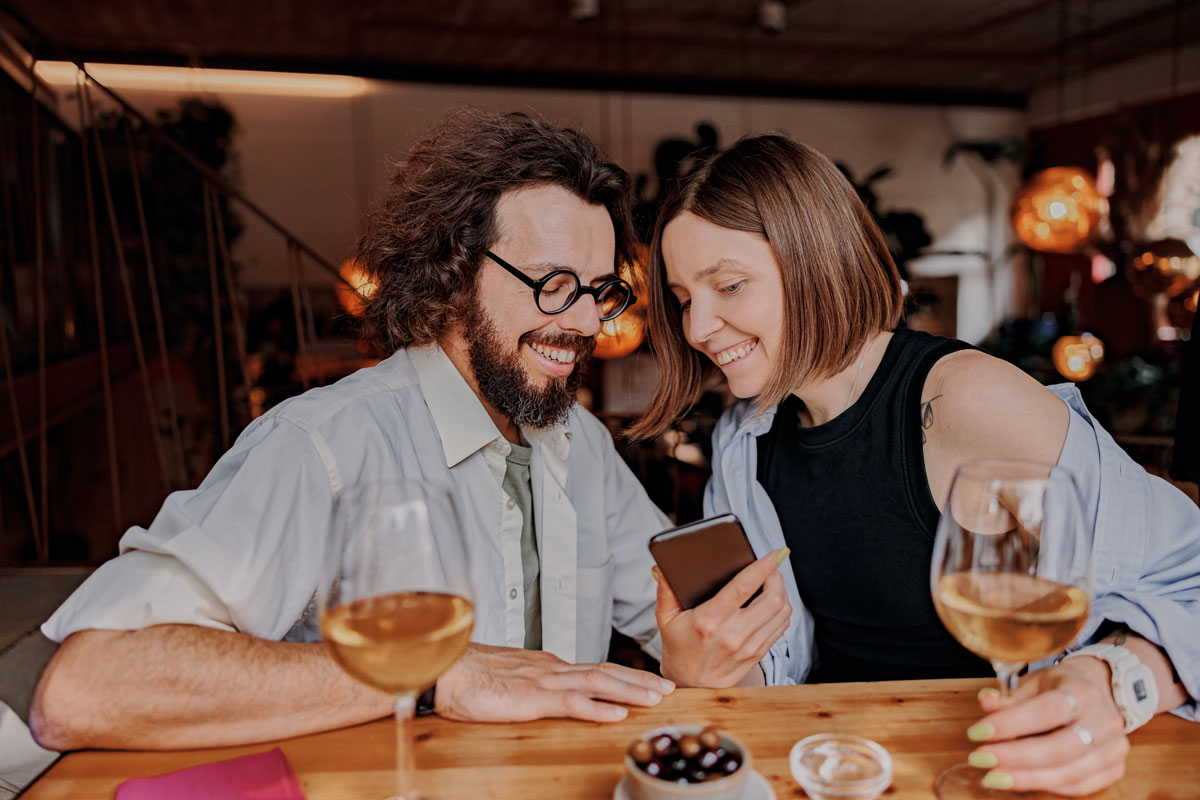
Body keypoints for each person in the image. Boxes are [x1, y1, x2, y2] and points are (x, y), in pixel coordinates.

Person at [28, 110, 788, 753]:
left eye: (598, 291)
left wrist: (704, 655)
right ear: (452, 273)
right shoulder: (323, 445)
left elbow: (680, 634)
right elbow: (88, 686)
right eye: (554, 285)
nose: (589, 321)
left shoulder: (580, 446)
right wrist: (430, 673)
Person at [631, 133, 1199, 796]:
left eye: (728, 285)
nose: (698, 328)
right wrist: (704, 666)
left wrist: (1116, 682)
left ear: (819, 262)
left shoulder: (967, 400)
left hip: (993, 772)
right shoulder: (743, 438)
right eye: (682, 297)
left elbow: (1192, 578)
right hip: (831, 771)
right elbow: (779, 677)